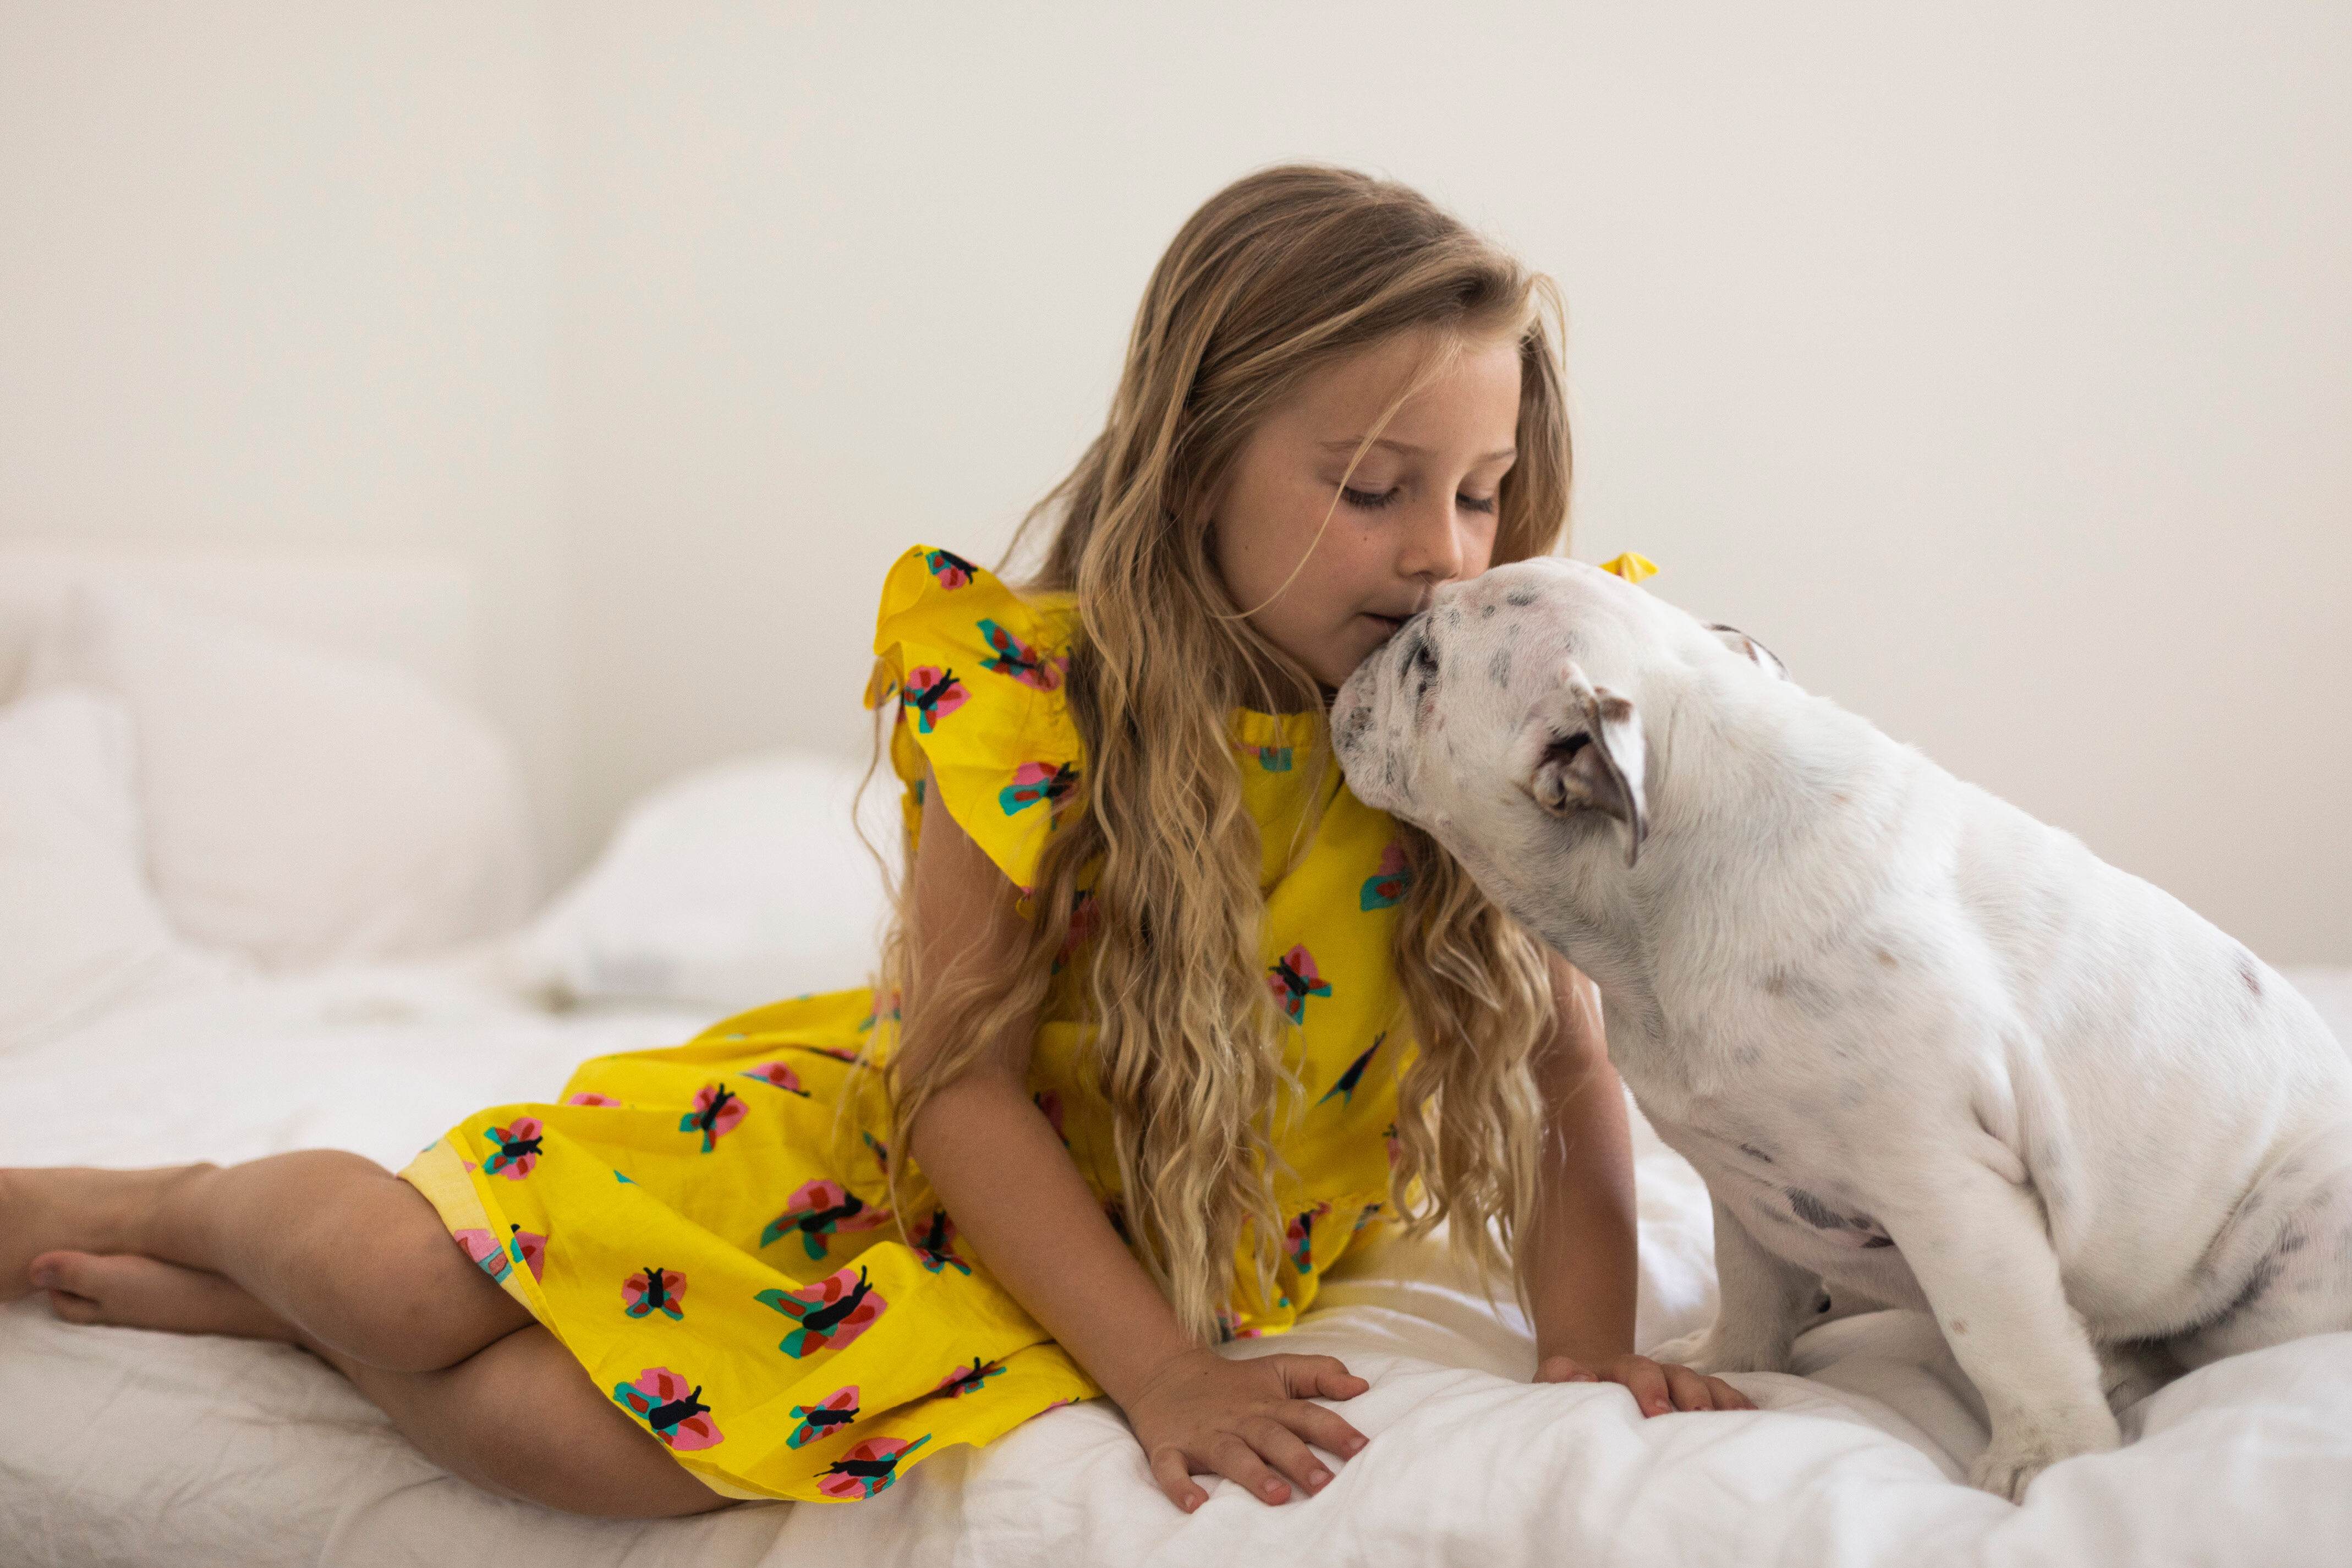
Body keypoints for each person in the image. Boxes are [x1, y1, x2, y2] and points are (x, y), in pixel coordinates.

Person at [1, 164, 1750, 1518]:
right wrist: (1156, 1376)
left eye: (1479, 488)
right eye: (1370, 487)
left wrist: (1588, 1346)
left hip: (1129, 1247)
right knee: (399, 1276)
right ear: (1197, 458)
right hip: (928, 1164)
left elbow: (1561, 1079)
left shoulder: (1507, 706)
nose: (1443, 550)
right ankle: (194, 1206)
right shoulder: (1033, 692)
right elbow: (956, 1080)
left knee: (601, 1458)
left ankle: (291, 1324)